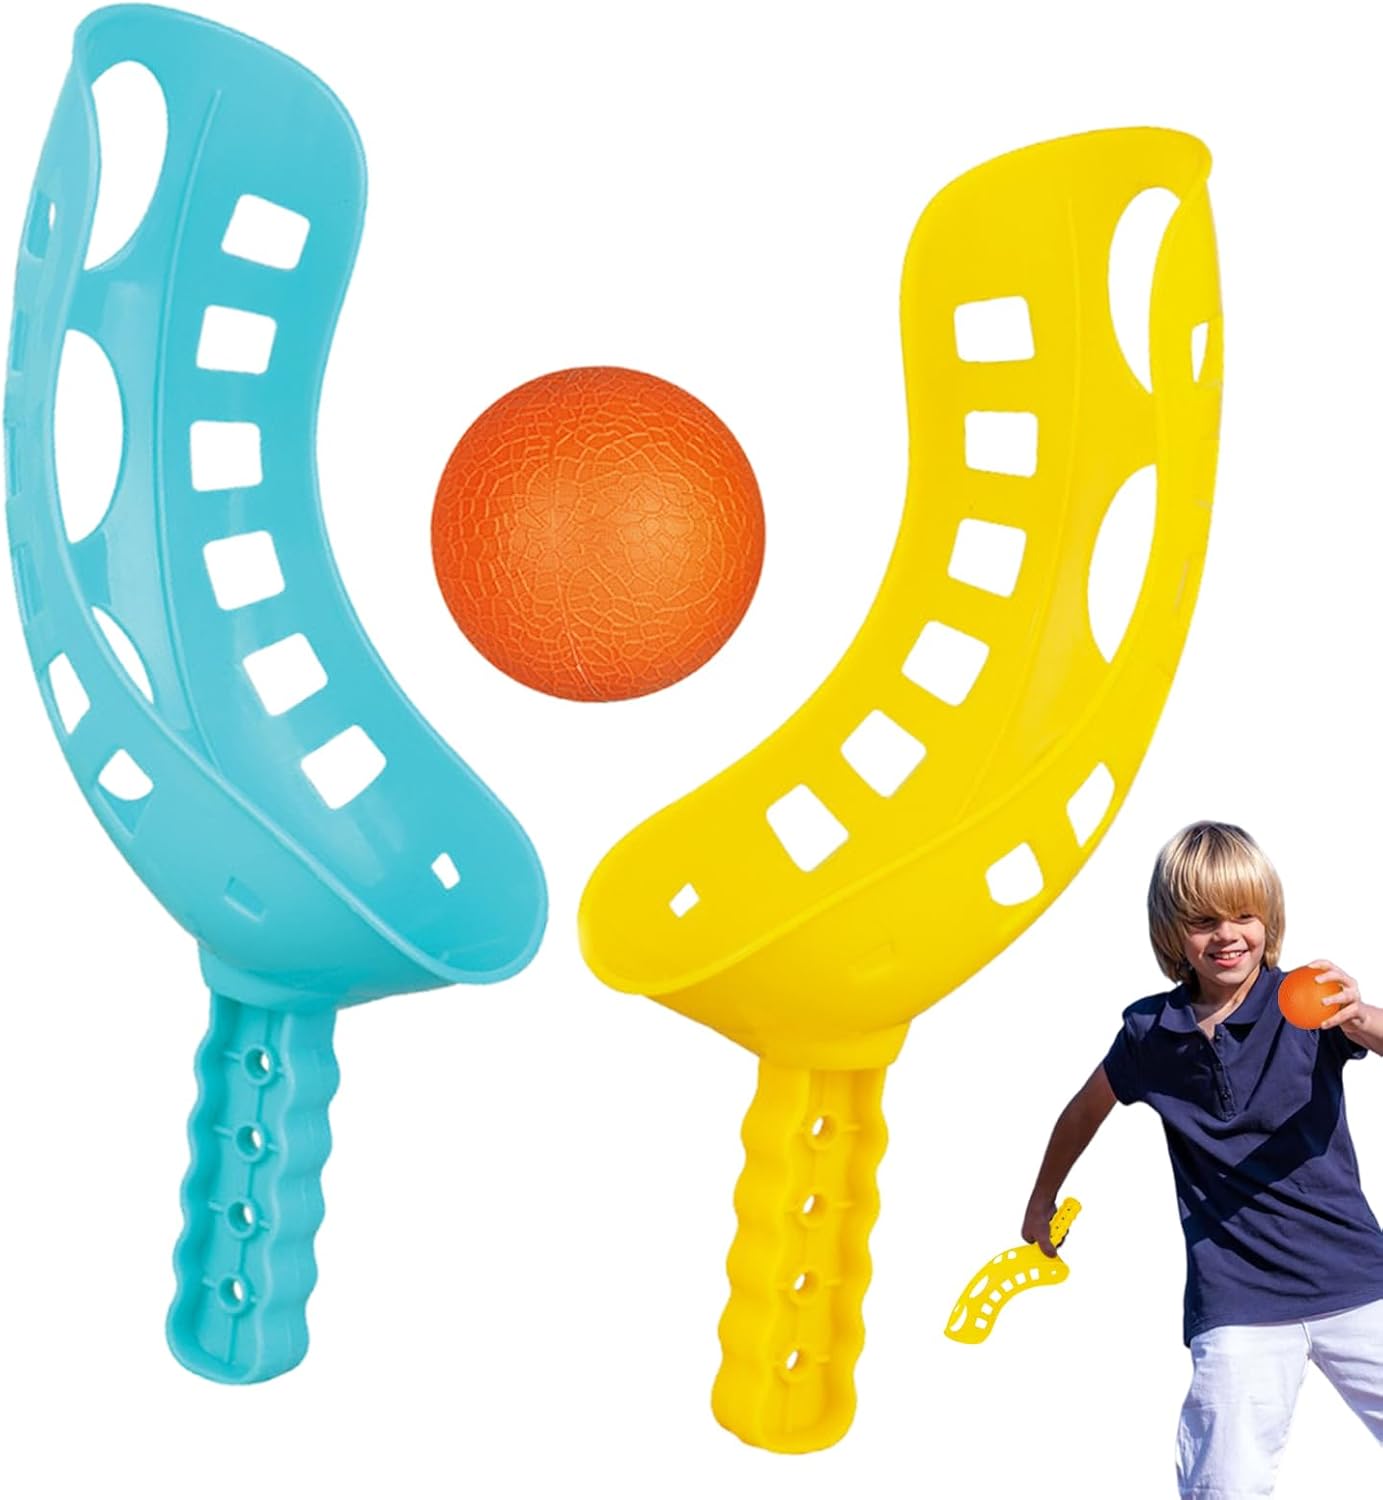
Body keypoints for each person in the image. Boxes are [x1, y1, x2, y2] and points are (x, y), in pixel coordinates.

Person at [1021, 821, 1383, 1496]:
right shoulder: (1149, 1035)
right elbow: (1082, 1111)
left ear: (1268, 919)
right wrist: (1041, 1200)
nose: (1227, 936)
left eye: (1244, 915)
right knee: (1224, 1484)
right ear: (1171, 933)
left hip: (1359, 1280)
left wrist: (1358, 1013)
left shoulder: (1306, 1001)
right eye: (1202, 921)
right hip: (1237, 1304)